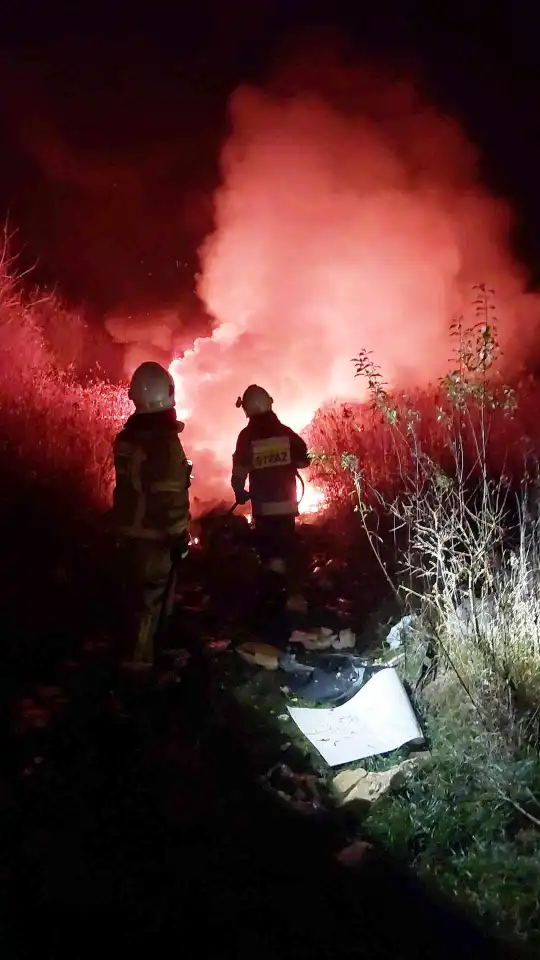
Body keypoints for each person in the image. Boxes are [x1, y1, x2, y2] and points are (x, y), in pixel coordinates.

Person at [111, 361, 192, 669]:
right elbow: (168, 496)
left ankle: (133, 654)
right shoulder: (164, 442)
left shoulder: (128, 437)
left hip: (128, 530)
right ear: (168, 393)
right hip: (153, 537)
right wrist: (178, 537)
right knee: (150, 602)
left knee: (132, 597)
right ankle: (139, 666)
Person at [232, 384, 310, 611]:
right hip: (286, 507)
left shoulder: (246, 437)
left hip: (264, 509)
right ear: (269, 403)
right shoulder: (285, 432)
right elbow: (305, 459)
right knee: (287, 548)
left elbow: (239, 471)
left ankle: (271, 601)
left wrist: (239, 492)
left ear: (247, 410)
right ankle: (292, 596)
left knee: (268, 553)